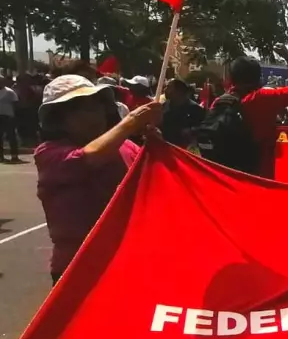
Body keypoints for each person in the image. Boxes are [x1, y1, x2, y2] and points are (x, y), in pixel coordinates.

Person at [34, 75, 162, 284]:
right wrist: (130, 123)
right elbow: (89, 157)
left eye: (96, 106)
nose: (92, 115)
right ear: (58, 119)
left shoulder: (127, 147)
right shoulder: (48, 153)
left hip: (127, 262)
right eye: (79, 109)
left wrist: (157, 147)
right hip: (76, 268)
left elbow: (155, 182)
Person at [210, 47, 288, 178]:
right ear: (258, 78)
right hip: (258, 177)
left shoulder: (219, 102)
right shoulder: (262, 98)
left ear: (231, 78)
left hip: (223, 176)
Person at [161, 78, 206, 148]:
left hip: (184, 150)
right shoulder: (164, 106)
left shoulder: (195, 109)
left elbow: (204, 128)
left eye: (169, 87)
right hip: (166, 148)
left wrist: (190, 131)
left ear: (178, 91)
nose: (165, 90)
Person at [0, 76, 21, 163]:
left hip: (8, 117)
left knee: (12, 136)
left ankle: (14, 156)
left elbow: (16, 104)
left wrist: (15, 116)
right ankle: (1, 156)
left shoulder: (9, 92)